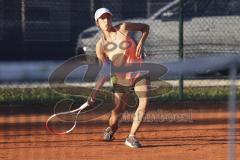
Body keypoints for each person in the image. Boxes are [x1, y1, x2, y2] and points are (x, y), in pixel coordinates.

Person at [88, 8, 150, 148]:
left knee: (144, 102)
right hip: (120, 77)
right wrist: (94, 93)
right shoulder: (100, 46)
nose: (106, 21)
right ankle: (111, 129)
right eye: (102, 19)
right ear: (97, 23)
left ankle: (131, 136)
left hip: (139, 70)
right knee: (116, 114)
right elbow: (105, 70)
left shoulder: (124, 28)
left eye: (108, 17)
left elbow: (145, 27)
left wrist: (141, 42)